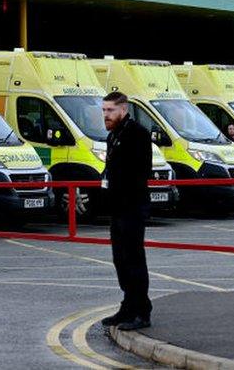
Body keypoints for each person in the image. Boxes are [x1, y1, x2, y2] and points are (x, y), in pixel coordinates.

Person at [100, 91, 153, 331]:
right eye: (103, 111)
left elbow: (140, 172)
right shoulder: (113, 136)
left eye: (110, 110)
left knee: (134, 260)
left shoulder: (137, 134)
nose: (106, 115)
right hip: (117, 207)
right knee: (119, 260)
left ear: (123, 109)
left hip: (132, 206)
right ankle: (128, 306)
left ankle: (142, 311)